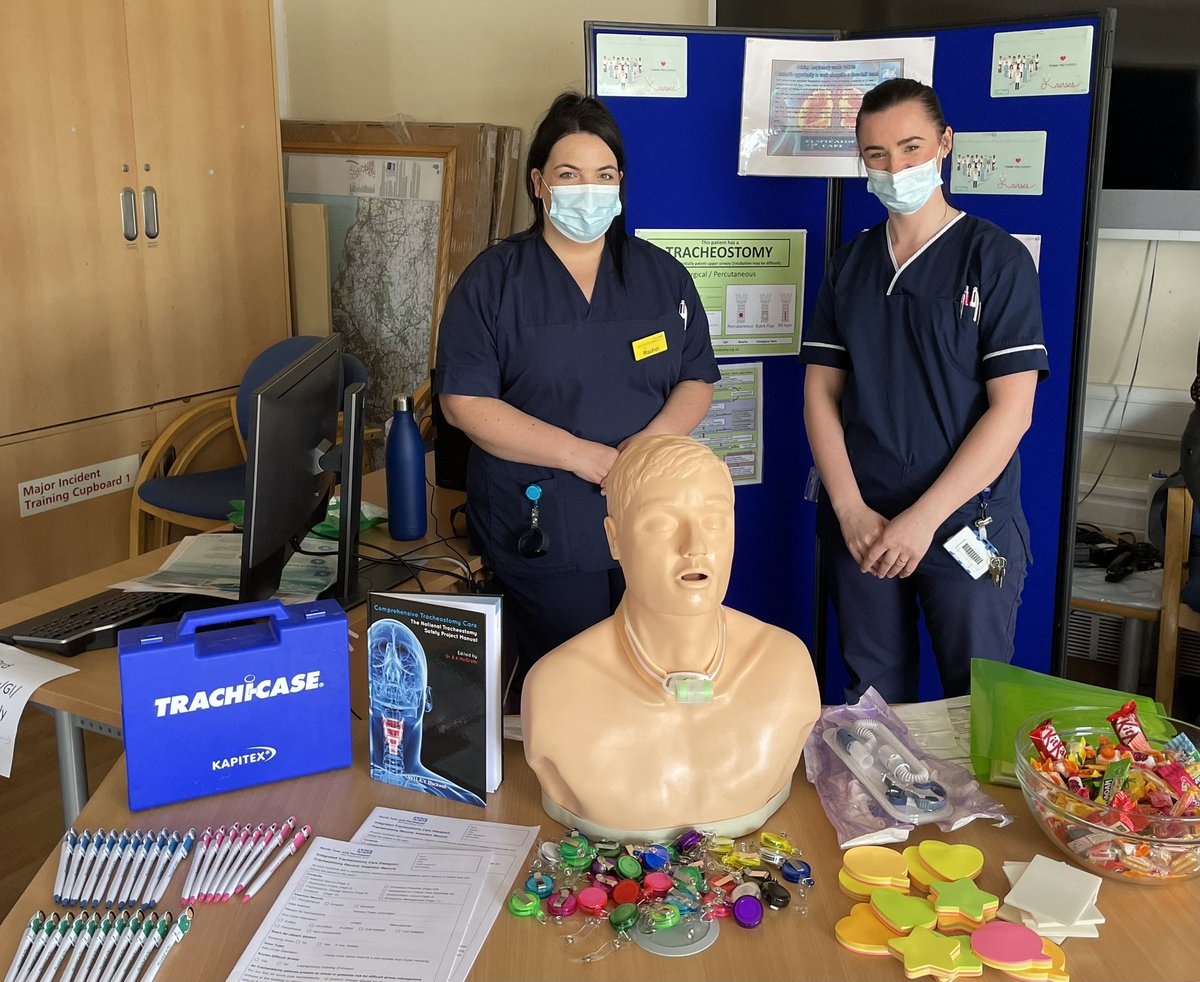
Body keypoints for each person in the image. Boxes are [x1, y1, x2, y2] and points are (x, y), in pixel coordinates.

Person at [435, 93, 719, 703]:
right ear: (539, 183)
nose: (587, 191)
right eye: (569, 175)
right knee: (574, 680)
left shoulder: (660, 275)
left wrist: (647, 448)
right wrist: (583, 457)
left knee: (656, 673)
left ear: (621, 183)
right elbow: (465, 402)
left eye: (603, 175)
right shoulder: (494, 281)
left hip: (650, 512)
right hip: (543, 517)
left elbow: (697, 377)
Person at [801, 78, 1048, 703]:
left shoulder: (994, 259)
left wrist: (925, 519)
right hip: (865, 518)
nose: (896, 167)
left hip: (965, 519)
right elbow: (820, 395)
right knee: (875, 696)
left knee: (979, 697)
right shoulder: (850, 264)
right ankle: (892, 806)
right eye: (877, 155)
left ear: (945, 144)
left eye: (911, 148)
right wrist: (851, 509)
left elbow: (1012, 411)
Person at [522, 436, 821, 839]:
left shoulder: (786, 666)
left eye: (715, 521)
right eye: (661, 524)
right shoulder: (555, 687)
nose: (695, 547)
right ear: (614, 539)